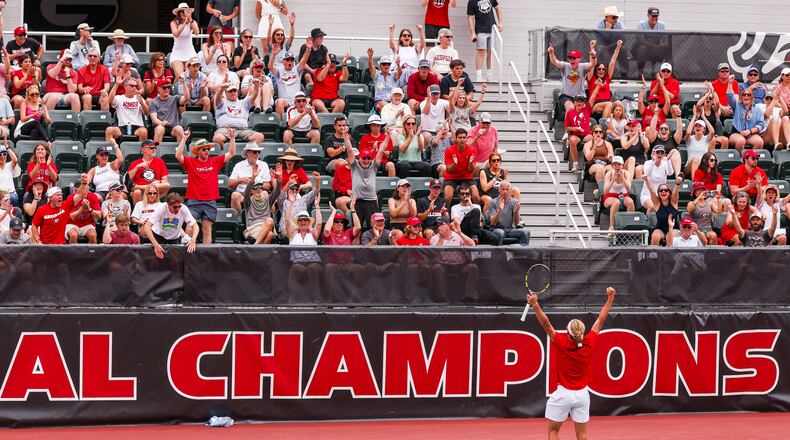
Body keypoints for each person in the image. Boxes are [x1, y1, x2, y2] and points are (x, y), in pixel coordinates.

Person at [528, 286, 615, 440]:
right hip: (582, 395)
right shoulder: (589, 342)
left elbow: (546, 324)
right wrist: (610, 298)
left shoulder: (562, 342)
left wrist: (535, 304)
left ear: (568, 334)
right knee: (582, 434)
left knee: (553, 431)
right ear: (582, 333)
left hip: (563, 394)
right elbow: (601, 320)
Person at [176, 133, 235, 244]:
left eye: (208, 149)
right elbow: (178, 156)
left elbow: (231, 153)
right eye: (204, 149)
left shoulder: (215, 161)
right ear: (197, 151)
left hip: (210, 200)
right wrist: (184, 138)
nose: (207, 151)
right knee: (190, 227)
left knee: (207, 229)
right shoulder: (191, 162)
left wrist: (232, 138)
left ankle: (206, 256)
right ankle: (186, 253)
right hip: (194, 200)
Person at [142, 192, 199, 259]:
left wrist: (193, 239)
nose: (177, 209)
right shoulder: (161, 208)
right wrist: (155, 244)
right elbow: (147, 226)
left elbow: (195, 226)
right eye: (175, 207)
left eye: (179, 206)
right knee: (158, 261)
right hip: (159, 236)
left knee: (175, 262)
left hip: (174, 238)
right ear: (168, 205)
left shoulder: (183, 208)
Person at [348, 137, 389, 229]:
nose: (366, 160)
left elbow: (381, 150)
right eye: (364, 158)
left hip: (371, 201)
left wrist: (388, 136)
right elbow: (350, 150)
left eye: (368, 158)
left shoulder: (374, 166)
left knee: (374, 228)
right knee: (356, 230)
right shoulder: (355, 166)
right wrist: (346, 137)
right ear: (359, 158)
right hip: (357, 201)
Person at [212, 80, 265, 148]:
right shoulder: (222, 102)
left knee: (259, 137)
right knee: (217, 138)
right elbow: (218, 98)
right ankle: (228, 155)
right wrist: (222, 89)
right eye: (230, 91)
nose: (233, 92)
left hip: (242, 129)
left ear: (237, 92)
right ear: (225, 93)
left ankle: (246, 152)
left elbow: (254, 95)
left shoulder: (243, 102)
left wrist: (257, 86)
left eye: (234, 90)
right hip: (225, 129)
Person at [547, 41, 596, 114]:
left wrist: (593, 55)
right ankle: (568, 126)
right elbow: (554, 61)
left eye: (574, 58)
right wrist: (551, 53)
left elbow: (593, 64)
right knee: (571, 108)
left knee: (584, 112)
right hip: (565, 96)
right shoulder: (565, 66)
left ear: (579, 59)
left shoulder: (582, 67)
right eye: (570, 58)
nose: (571, 60)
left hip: (580, 97)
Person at [229, 141, 270, 213]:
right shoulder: (239, 165)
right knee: (235, 195)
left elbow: (268, 185)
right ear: (247, 153)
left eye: (258, 152)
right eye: (255, 152)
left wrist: (257, 185)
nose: (257, 154)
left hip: (258, 193)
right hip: (242, 194)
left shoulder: (264, 165)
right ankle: (239, 220)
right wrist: (241, 180)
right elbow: (230, 183)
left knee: (265, 194)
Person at [585, 40, 622, 119]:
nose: (601, 70)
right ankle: (604, 127)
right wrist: (592, 49)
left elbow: (612, 63)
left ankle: (622, 125)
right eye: (599, 69)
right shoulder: (591, 78)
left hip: (608, 103)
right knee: (609, 104)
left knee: (619, 103)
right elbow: (592, 64)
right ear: (596, 70)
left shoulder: (607, 78)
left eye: (603, 69)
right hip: (594, 105)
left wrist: (617, 48)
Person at [467, 0, 502, 82]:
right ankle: (479, 76)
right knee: (481, 52)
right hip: (481, 30)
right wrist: (472, 33)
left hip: (492, 29)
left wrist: (500, 23)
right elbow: (470, 17)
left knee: (490, 52)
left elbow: (498, 8)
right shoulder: (472, 1)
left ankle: (489, 76)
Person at [727, 78, 767, 151]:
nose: (746, 96)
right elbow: (729, 95)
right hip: (737, 133)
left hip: (751, 134)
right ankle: (740, 161)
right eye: (744, 94)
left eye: (748, 95)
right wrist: (730, 83)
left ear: (752, 97)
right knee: (740, 141)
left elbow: (761, 125)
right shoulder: (736, 105)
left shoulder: (758, 109)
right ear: (741, 97)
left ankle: (751, 159)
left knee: (759, 142)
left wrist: (750, 131)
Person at [485, 180, 529, 246]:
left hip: (509, 229)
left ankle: (522, 254)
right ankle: (499, 254)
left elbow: (516, 223)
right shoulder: (493, 202)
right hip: (496, 229)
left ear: (510, 191)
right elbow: (493, 223)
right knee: (500, 233)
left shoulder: (514, 202)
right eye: (503, 189)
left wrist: (516, 212)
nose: (505, 192)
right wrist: (500, 210)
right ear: (499, 190)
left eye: (507, 189)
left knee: (526, 232)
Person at [105, 77, 148, 142]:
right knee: (109, 130)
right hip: (123, 127)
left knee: (143, 131)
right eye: (132, 86)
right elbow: (110, 100)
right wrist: (116, 84)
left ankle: (141, 151)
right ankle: (110, 151)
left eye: (135, 86)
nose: (134, 88)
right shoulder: (119, 98)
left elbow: (146, 112)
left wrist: (142, 102)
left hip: (137, 127)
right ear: (125, 86)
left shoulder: (139, 98)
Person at [129, 140, 171, 204]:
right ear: (143, 149)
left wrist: (153, 186)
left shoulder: (160, 161)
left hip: (155, 190)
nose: (154, 149)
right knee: (137, 192)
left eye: (155, 148)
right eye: (151, 148)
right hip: (141, 191)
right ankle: (139, 212)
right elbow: (128, 178)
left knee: (167, 185)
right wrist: (137, 167)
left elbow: (164, 180)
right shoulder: (135, 163)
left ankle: (147, 189)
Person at [64, 173, 102, 244]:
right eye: (78, 189)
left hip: (87, 224)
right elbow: (72, 217)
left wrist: (89, 209)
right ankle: (72, 254)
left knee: (93, 236)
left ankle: (90, 254)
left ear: (87, 189)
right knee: (73, 235)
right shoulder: (71, 198)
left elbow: (99, 215)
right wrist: (82, 208)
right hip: (72, 224)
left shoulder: (93, 197)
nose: (82, 191)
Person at [243, 171, 279, 244]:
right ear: (252, 190)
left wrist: (279, 178)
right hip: (253, 228)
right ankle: (257, 246)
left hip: (266, 226)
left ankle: (256, 247)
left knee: (270, 232)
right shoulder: (248, 201)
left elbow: (277, 192)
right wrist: (253, 178)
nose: (258, 189)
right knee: (270, 228)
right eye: (256, 187)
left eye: (260, 187)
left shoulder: (267, 200)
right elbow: (246, 193)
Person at [444, 127, 479, 202]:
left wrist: (470, 163)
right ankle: (446, 213)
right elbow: (449, 170)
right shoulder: (449, 150)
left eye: (464, 137)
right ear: (456, 139)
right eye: (460, 138)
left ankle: (478, 213)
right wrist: (455, 164)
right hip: (451, 178)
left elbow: (470, 171)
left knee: (476, 196)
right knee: (447, 197)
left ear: (467, 139)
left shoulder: (472, 150)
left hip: (467, 177)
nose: (462, 140)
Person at [270, 48, 308, 116]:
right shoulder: (279, 71)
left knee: (307, 101)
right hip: (285, 101)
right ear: (283, 62)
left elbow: (304, 59)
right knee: (280, 102)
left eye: (292, 60)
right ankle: (280, 124)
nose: (290, 61)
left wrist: (308, 49)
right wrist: (273, 55)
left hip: (297, 100)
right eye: (287, 60)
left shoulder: (297, 69)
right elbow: (270, 67)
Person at [645, 177, 682, 246]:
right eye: (661, 190)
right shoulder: (657, 204)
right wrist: (646, 180)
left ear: (669, 193)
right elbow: (651, 190)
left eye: (666, 190)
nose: (663, 192)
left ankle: (668, 256)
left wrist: (677, 183)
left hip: (674, 228)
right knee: (655, 236)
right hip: (660, 229)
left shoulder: (674, 202)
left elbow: (675, 192)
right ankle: (653, 256)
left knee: (669, 237)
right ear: (658, 193)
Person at [150, 78, 187, 144]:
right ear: (158, 89)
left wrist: (184, 82)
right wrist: (161, 123)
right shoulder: (153, 102)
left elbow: (187, 98)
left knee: (179, 128)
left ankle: (180, 153)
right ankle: (156, 152)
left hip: (173, 127)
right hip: (161, 126)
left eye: (168, 87)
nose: (167, 89)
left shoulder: (175, 98)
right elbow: (154, 119)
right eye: (164, 88)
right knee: (159, 129)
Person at [602, 156, 635, 231]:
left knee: (630, 202)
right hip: (610, 195)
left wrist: (623, 178)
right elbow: (605, 191)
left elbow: (629, 189)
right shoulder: (609, 174)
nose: (617, 167)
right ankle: (611, 227)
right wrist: (613, 180)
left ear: (622, 166)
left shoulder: (626, 173)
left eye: (619, 164)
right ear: (612, 166)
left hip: (623, 194)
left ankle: (628, 226)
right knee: (616, 202)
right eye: (615, 164)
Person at [693, 84, 730, 149]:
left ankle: (722, 157)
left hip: (713, 134)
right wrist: (708, 94)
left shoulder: (714, 110)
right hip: (702, 135)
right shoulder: (700, 110)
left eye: (710, 99)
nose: (708, 100)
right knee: (712, 140)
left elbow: (717, 102)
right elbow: (698, 104)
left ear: (712, 101)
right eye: (706, 98)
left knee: (725, 140)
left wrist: (712, 91)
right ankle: (709, 158)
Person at [564, 94, 594, 173]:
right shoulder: (570, 113)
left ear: (584, 103)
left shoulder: (586, 110)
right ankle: (575, 164)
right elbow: (567, 127)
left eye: (581, 101)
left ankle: (590, 162)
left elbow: (592, 98)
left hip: (586, 134)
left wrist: (597, 86)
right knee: (572, 139)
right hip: (576, 134)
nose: (579, 102)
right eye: (577, 101)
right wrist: (575, 128)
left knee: (592, 138)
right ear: (574, 103)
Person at [640, 145, 674, 212]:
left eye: (662, 153)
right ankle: (649, 221)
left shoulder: (665, 163)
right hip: (647, 194)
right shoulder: (648, 163)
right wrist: (653, 161)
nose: (660, 154)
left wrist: (668, 161)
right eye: (657, 152)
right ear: (653, 153)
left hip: (661, 194)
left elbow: (670, 173)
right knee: (652, 207)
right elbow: (646, 173)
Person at [684, 114, 715, 178]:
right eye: (696, 126)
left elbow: (712, 131)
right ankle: (695, 183)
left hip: (702, 167)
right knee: (695, 160)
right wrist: (694, 116)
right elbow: (688, 133)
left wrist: (704, 117)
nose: (697, 127)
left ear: (704, 129)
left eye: (700, 126)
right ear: (693, 129)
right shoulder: (690, 139)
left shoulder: (706, 139)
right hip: (689, 167)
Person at [0, 139, 19, 205]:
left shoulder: (9, 165)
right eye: (0, 154)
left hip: (10, 193)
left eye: (4, 154)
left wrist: (7, 147)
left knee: (13, 197)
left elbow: (15, 160)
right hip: (0, 194)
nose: (2, 156)